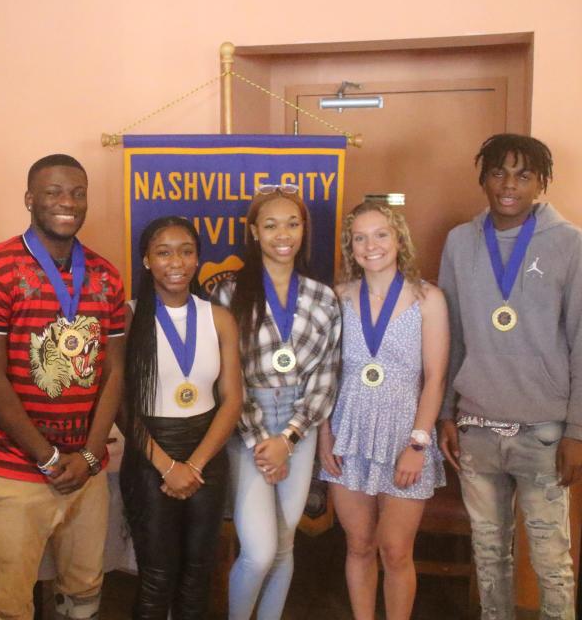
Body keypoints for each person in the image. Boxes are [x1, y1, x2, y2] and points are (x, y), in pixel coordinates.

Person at [0, 154, 125, 620]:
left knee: (85, 590)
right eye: (53, 192)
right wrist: (48, 457)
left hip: (86, 470)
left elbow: (115, 372)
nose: (67, 203)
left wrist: (90, 456)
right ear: (30, 199)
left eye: (77, 193)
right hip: (18, 468)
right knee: (10, 600)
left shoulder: (106, 275)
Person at [438, 133, 581, 620]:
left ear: (541, 182)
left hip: (543, 432)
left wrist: (576, 432)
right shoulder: (460, 242)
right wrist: (444, 414)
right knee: (489, 556)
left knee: (551, 562)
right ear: (483, 178)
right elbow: (451, 334)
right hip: (476, 427)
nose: (509, 185)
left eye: (524, 174)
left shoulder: (570, 243)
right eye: (498, 172)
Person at [213, 185, 341, 620]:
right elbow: (226, 377)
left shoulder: (323, 298)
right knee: (260, 550)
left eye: (292, 223)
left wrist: (290, 437)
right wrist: (259, 441)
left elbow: (327, 375)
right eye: (270, 225)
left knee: (285, 544)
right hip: (246, 423)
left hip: (299, 426)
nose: (282, 234)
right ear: (253, 232)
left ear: (304, 229)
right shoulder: (230, 294)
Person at [318, 200, 448, 620]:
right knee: (358, 545)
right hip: (348, 434)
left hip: (404, 436)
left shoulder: (428, 298)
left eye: (380, 234)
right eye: (360, 237)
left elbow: (435, 377)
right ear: (349, 246)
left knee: (394, 550)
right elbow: (325, 373)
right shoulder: (338, 298)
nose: (370, 245)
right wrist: (324, 437)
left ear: (398, 240)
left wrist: (418, 443)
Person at [118, 216, 242, 619]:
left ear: (197, 259)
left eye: (187, 251)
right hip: (150, 454)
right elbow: (122, 406)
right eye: (164, 252)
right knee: (157, 574)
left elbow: (232, 400)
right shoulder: (128, 318)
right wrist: (167, 466)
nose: (177, 262)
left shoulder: (219, 318)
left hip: (206, 455)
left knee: (198, 573)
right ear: (146, 260)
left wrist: (194, 465)